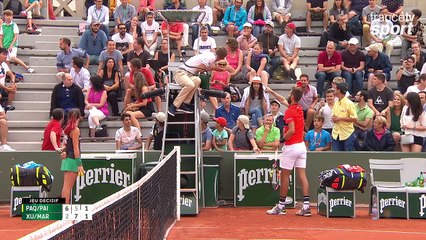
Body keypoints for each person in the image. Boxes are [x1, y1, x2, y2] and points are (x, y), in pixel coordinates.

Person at [267, 87, 311, 216]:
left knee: (285, 176)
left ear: (292, 97)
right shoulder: (298, 109)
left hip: (291, 147)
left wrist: (280, 141)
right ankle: (306, 207)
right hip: (302, 147)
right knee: (302, 176)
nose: (287, 95)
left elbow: (291, 130)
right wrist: (271, 91)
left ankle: (281, 206)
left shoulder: (289, 112)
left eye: (289, 93)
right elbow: (282, 99)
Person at [168, 47, 232, 116]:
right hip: (181, 73)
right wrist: (214, 68)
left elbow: (200, 69)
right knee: (190, 85)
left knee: (198, 80)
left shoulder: (211, 55)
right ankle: (174, 105)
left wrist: (214, 68)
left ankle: (185, 103)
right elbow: (198, 69)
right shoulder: (212, 58)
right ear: (222, 58)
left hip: (189, 74)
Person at [61, 109, 84, 204]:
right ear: (79, 118)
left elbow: (64, 144)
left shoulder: (67, 129)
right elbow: (75, 148)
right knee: (67, 187)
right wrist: (79, 164)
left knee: (66, 186)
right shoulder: (75, 130)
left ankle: (64, 208)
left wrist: (64, 152)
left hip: (67, 160)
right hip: (72, 161)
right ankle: (65, 209)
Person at [331, 83, 358, 151]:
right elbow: (334, 116)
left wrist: (340, 118)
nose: (334, 90)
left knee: (348, 158)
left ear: (339, 90)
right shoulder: (336, 102)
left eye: (335, 88)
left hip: (347, 133)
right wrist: (334, 119)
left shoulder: (349, 103)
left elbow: (354, 118)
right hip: (336, 133)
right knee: (336, 157)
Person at [0, 47, 16, 111]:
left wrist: (12, 82)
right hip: (2, 87)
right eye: (3, 54)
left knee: (13, 87)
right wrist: (7, 88)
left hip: (2, 88)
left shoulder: (4, 64)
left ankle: (8, 105)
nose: (5, 56)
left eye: (6, 55)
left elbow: (12, 75)